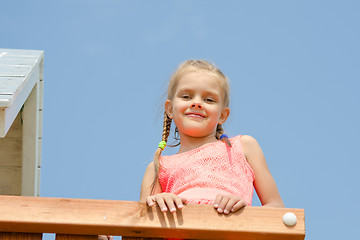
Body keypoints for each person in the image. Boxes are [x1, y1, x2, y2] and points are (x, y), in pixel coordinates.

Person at [140, 60, 284, 215]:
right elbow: (138, 226)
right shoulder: (157, 168)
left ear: (223, 115)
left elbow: (279, 210)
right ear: (169, 109)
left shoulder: (244, 147)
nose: (196, 103)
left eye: (209, 100)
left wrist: (245, 212)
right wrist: (160, 203)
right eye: (187, 96)